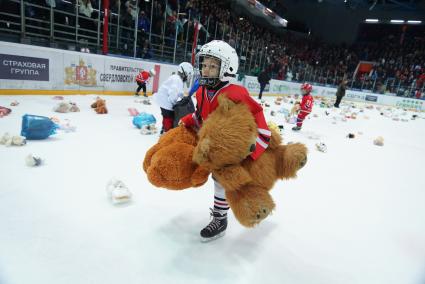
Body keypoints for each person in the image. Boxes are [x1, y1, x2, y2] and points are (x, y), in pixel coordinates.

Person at [179, 40, 271, 242]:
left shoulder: (236, 93)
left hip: (236, 148)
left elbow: (257, 120)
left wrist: (254, 149)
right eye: (204, 64)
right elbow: (202, 117)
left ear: (227, 68)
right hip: (214, 147)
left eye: (213, 65)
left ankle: (221, 219)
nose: (206, 69)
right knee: (216, 177)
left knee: (223, 179)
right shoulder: (203, 91)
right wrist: (188, 120)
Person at [152, 62, 194, 134]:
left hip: (163, 100)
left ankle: (164, 128)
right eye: (188, 74)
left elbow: (178, 92)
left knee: (166, 116)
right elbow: (173, 93)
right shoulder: (178, 80)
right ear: (184, 72)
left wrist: (182, 96)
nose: (188, 77)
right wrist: (175, 104)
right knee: (169, 116)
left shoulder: (176, 78)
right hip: (166, 102)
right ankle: (167, 132)